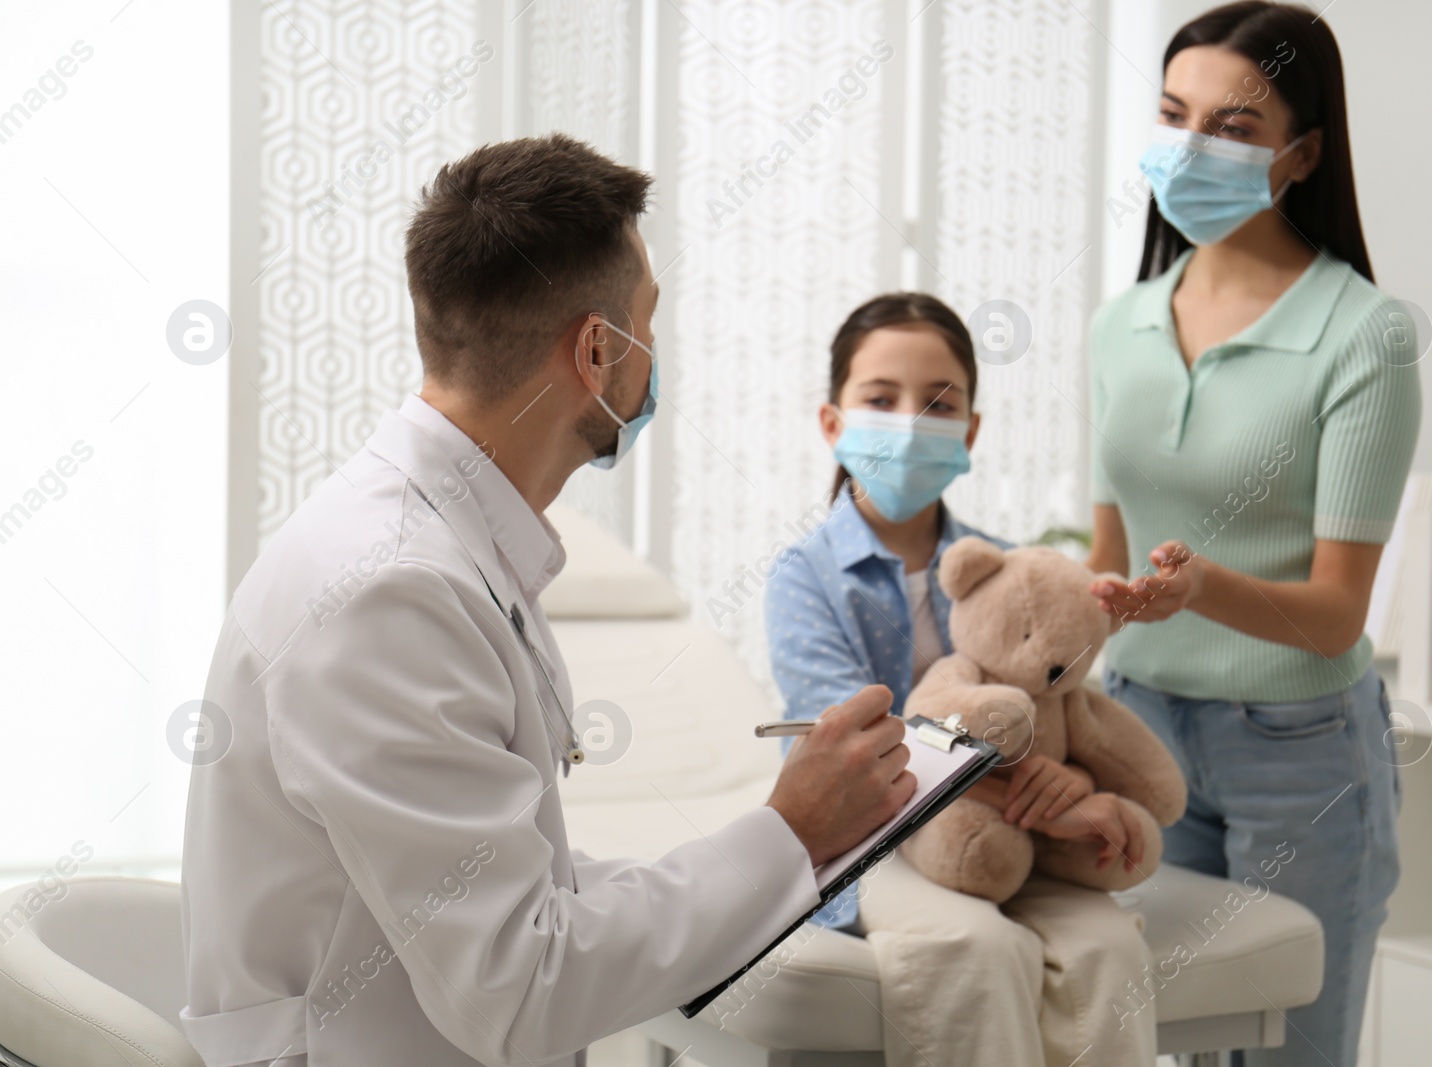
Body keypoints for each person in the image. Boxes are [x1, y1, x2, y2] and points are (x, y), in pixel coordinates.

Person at [178, 135, 916, 1067]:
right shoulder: (388, 591)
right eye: (650, 318)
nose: (656, 351)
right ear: (599, 350)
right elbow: (520, 988)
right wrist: (789, 831)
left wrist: (774, 843)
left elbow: (524, 889)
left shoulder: (445, 544)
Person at [1085, 4, 1421, 1065]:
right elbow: (1105, 560)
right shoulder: (1119, 325)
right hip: (1137, 730)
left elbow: (1334, 618)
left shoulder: (1364, 333)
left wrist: (1199, 589)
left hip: (1298, 753)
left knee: (1290, 1053)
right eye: (1172, 115)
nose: (1189, 148)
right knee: (1151, 1037)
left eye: (1232, 127)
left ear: (1301, 153)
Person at [765, 292, 1157, 1067]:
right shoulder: (803, 576)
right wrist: (1027, 793)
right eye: (881, 398)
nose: (910, 420)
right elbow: (852, 749)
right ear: (833, 424)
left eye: (939, 402)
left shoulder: (1012, 568)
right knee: (975, 947)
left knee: (1110, 951)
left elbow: (1068, 711)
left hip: (1023, 839)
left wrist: (1078, 791)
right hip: (870, 840)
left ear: (971, 431)